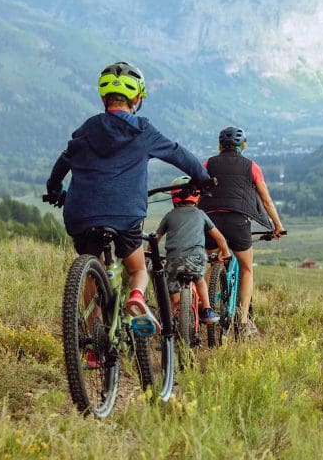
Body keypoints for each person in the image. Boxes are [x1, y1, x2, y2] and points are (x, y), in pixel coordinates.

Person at [45, 62, 209, 335]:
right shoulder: (143, 130)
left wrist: (54, 192)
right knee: (137, 269)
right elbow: (178, 153)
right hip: (125, 214)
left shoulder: (86, 130)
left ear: (102, 98)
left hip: (81, 214)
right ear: (137, 99)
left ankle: (92, 336)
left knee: (91, 265)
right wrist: (202, 177)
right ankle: (135, 296)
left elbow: (62, 165)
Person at [199, 126, 285, 337]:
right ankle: (243, 321)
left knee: (211, 263)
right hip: (238, 221)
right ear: (242, 145)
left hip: (210, 221)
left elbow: (197, 188)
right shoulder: (251, 166)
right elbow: (265, 200)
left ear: (220, 145)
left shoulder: (208, 163)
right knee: (246, 269)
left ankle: (203, 310)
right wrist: (277, 226)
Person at [155, 176, 232, 326]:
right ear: (197, 196)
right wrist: (226, 252)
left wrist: (150, 253)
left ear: (174, 198)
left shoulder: (169, 216)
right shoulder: (201, 214)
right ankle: (208, 310)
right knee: (199, 280)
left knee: (174, 297)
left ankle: (171, 321)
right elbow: (220, 238)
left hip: (174, 260)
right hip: (196, 258)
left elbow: (155, 239)